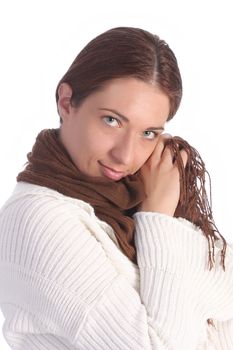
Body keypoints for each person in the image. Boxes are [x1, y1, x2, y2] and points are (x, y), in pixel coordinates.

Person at [0, 26, 232, 350]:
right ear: (66, 102)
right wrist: (159, 219)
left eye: (148, 133)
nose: (125, 155)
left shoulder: (130, 203)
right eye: (112, 121)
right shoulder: (37, 218)